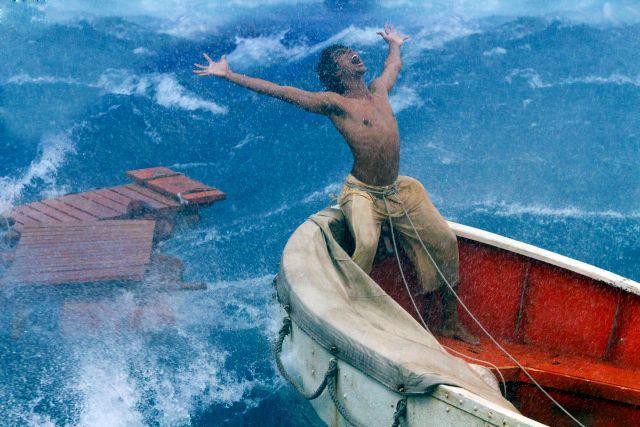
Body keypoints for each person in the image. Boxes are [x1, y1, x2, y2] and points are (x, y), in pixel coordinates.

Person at [193, 24, 478, 344]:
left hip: (398, 190)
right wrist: (230, 75)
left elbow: (392, 66)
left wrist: (395, 44)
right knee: (366, 244)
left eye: (351, 51)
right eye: (344, 55)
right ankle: (350, 317)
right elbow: (283, 91)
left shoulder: (379, 90)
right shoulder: (335, 104)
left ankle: (449, 321)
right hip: (363, 193)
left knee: (445, 241)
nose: (353, 54)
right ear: (337, 71)